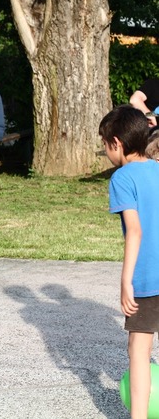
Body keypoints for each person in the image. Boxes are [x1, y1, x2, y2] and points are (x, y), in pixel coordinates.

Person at [99, 105, 159, 419]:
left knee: (139, 349)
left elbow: (134, 231)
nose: (106, 152)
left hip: (147, 278)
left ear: (117, 143)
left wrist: (126, 281)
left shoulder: (121, 178)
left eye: (105, 145)